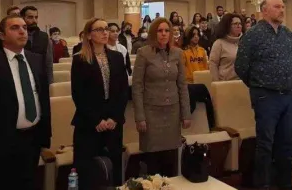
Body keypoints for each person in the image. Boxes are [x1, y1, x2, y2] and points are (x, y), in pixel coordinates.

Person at [0, 15, 52, 190]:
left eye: (24, 28)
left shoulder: (37, 60)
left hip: (32, 137)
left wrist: (45, 138)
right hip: (2, 140)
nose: (22, 31)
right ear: (1, 35)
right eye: (14, 28)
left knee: (29, 183)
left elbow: (43, 100)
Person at [235, 0, 292, 190]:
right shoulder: (253, 34)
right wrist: (258, 85)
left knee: (287, 142)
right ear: (264, 11)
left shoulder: (287, 33)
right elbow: (241, 66)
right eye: (277, 7)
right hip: (266, 96)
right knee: (265, 144)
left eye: (283, 6)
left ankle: (285, 183)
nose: (282, 10)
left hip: (288, 95)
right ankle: (263, 184)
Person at [71, 18, 129, 188]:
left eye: (106, 29)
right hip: (89, 123)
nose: (105, 32)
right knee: (89, 173)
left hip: (113, 123)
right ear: (89, 35)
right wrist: (96, 120)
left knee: (114, 170)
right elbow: (78, 95)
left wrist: (115, 117)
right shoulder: (80, 59)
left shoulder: (117, 57)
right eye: (99, 29)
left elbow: (123, 91)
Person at [132, 18, 191, 176]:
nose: (164, 34)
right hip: (151, 114)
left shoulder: (178, 53)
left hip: (173, 112)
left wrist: (186, 114)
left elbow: (182, 85)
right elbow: (137, 87)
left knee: (170, 161)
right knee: (153, 163)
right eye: (160, 31)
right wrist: (140, 117)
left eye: (166, 31)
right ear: (153, 33)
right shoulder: (143, 53)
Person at [182, 26, 216, 128]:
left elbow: (206, 68)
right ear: (189, 37)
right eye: (193, 35)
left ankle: (211, 125)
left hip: (202, 84)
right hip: (190, 84)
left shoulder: (202, 51)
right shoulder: (183, 52)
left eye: (197, 35)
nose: (196, 37)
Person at [21, 6, 54, 84]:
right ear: (22, 18)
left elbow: (48, 63)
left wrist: (50, 83)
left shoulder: (44, 37)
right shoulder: (17, 36)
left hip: (40, 80)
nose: (34, 20)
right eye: (30, 17)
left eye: (36, 17)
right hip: (21, 78)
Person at [209, 13, 243, 81]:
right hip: (225, 83)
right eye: (235, 24)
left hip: (242, 82)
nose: (239, 26)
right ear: (227, 26)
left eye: (240, 24)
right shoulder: (219, 43)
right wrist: (217, 83)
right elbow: (213, 65)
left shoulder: (244, 42)